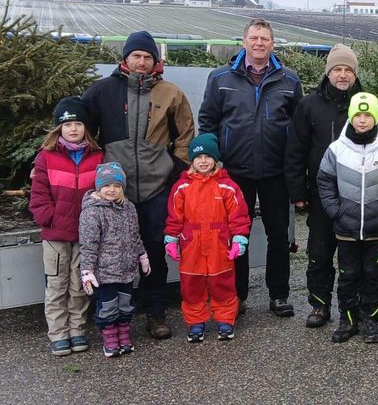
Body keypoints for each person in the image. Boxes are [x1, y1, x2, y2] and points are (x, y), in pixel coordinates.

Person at [82, 30, 195, 339]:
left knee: (154, 251)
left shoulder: (171, 93)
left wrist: (177, 169)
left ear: (155, 61)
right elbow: (83, 133)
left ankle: (155, 313)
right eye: (137, 56)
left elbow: (186, 135)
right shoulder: (102, 92)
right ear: (126, 59)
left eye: (148, 57)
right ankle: (112, 314)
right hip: (115, 193)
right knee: (111, 253)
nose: (142, 62)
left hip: (157, 188)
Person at [199, 18, 303, 317]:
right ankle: (237, 294)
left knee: (278, 235)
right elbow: (208, 121)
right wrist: (214, 161)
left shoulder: (289, 80)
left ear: (272, 44)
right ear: (244, 41)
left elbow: (297, 127)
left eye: (265, 39)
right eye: (254, 38)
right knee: (235, 235)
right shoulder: (221, 78)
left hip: (275, 170)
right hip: (235, 170)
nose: (259, 43)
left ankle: (279, 295)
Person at [316, 92, 378, 343]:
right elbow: (324, 181)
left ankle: (370, 321)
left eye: (368, 115)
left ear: (376, 117)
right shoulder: (337, 149)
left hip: (377, 229)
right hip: (346, 228)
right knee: (348, 276)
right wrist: (336, 210)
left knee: (373, 276)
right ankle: (348, 320)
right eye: (358, 115)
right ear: (351, 117)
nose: (363, 120)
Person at [285, 44, 362, 328]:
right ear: (328, 72)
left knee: (353, 256)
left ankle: (352, 306)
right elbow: (295, 150)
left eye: (348, 70)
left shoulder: (367, 104)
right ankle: (319, 305)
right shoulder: (309, 105)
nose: (342, 75)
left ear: (355, 73)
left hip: (357, 196)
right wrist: (298, 192)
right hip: (320, 195)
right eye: (337, 69)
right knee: (319, 253)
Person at [29, 97, 104, 356]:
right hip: (56, 236)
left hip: (85, 235)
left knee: (79, 285)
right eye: (68, 124)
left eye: (79, 123)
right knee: (57, 285)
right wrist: (48, 218)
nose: (73, 129)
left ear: (86, 127)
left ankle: (77, 330)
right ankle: (59, 333)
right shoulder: (46, 158)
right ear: (59, 128)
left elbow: (102, 194)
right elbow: (38, 196)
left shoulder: (97, 157)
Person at [165, 134, 251, 342]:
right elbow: (174, 216)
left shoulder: (227, 186)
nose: (203, 161)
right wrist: (171, 238)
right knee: (191, 284)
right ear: (191, 161)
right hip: (191, 244)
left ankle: (225, 319)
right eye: (198, 157)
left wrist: (239, 238)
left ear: (215, 159)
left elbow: (239, 215)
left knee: (222, 283)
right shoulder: (182, 187)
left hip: (219, 243)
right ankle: (196, 322)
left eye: (207, 156)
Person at [79, 162, 151, 358]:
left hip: (127, 269)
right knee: (108, 305)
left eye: (116, 186)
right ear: (99, 187)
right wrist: (87, 270)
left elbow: (135, 235)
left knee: (126, 303)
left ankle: (124, 333)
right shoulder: (93, 211)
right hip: (105, 271)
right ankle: (109, 337)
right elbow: (88, 243)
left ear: (122, 188)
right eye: (107, 186)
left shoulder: (129, 208)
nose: (112, 190)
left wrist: (142, 254)